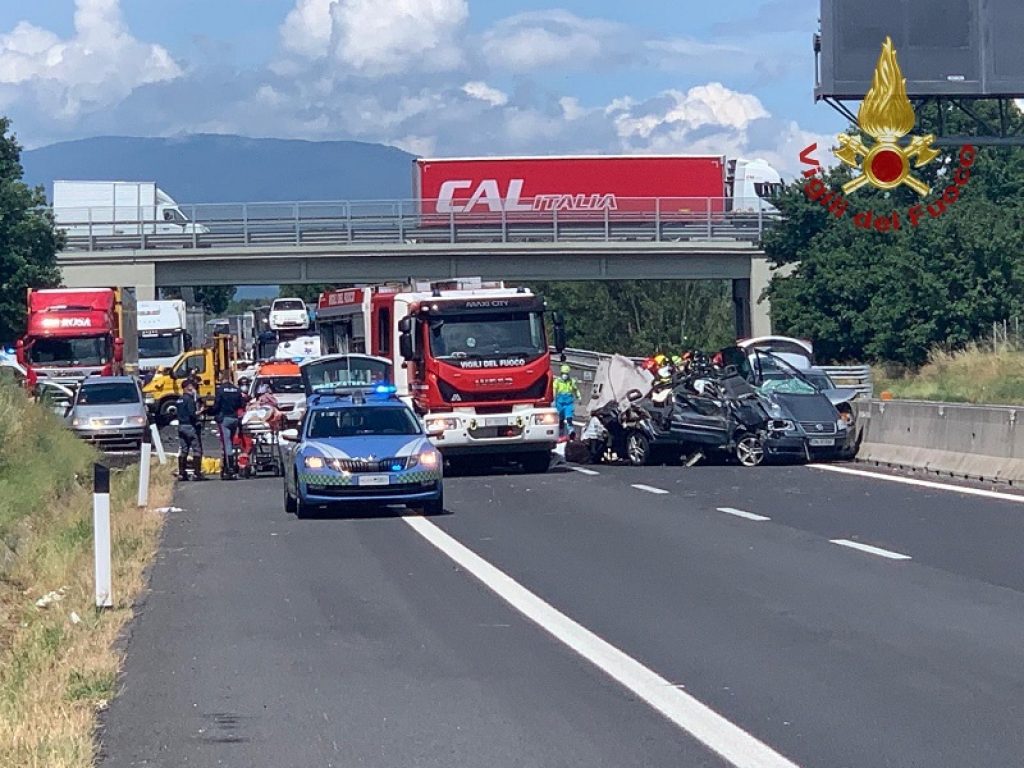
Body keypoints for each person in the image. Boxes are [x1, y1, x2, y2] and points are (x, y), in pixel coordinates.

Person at [211, 370, 246, 479]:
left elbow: (216, 406)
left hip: (224, 418)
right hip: (234, 418)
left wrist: (211, 412)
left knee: (227, 444)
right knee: (230, 441)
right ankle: (231, 467)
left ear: (223, 377)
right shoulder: (236, 390)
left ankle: (229, 469)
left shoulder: (220, 390)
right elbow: (241, 404)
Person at [175, 378, 205, 481]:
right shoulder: (189, 399)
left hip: (181, 426)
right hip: (190, 426)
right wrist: (200, 411)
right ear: (189, 388)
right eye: (193, 387)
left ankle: (182, 473)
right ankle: (197, 473)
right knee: (197, 449)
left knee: (184, 449)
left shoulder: (179, 400)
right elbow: (192, 414)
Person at [553, 364, 581, 439]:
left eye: (566, 374)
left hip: (569, 403)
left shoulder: (571, 381)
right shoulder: (557, 381)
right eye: (563, 373)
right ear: (561, 373)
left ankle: (571, 432)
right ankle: (561, 433)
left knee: (569, 418)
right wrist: (553, 399)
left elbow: (576, 389)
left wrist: (579, 397)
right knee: (560, 419)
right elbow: (554, 390)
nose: (565, 375)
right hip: (559, 403)